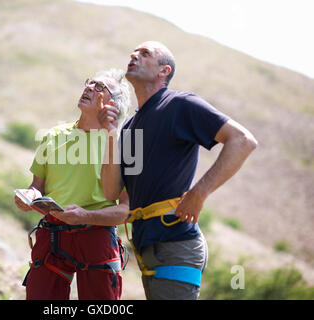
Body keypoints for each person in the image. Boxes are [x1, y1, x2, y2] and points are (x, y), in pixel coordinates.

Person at [99, 41, 258, 300]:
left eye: (145, 53)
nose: (134, 55)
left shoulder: (179, 105)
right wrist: (110, 135)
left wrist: (199, 193)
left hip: (176, 243)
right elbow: (111, 192)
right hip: (148, 246)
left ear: (164, 71)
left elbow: (243, 141)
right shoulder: (128, 127)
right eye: (133, 52)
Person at [14, 68, 131, 300]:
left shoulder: (124, 146)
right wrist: (29, 195)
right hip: (52, 234)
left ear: (112, 106)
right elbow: (38, 185)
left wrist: (86, 216)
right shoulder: (54, 135)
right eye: (90, 83)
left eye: (100, 88)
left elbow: (124, 211)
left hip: (97, 238)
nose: (89, 88)